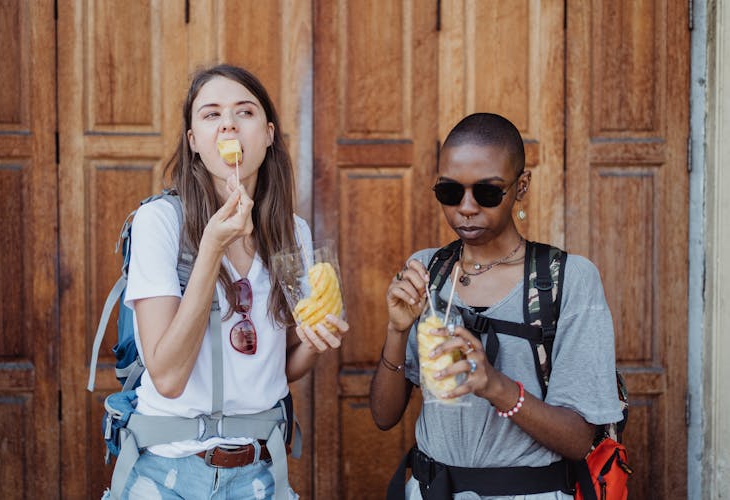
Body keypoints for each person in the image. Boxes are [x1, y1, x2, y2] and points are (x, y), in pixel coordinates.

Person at [110, 64, 348, 499]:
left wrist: (317, 340)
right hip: (167, 473)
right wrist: (211, 250)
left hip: (260, 474)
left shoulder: (291, 232)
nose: (228, 124)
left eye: (245, 112)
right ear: (194, 142)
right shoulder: (160, 222)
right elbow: (167, 378)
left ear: (269, 134)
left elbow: (281, 370)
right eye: (210, 114)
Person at [370, 112, 623, 499]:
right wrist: (396, 330)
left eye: (487, 193)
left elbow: (576, 439)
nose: (467, 207)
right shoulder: (428, 269)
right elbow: (385, 417)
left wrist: (494, 386)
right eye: (450, 192)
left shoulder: (567, 280)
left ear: (521, 187)